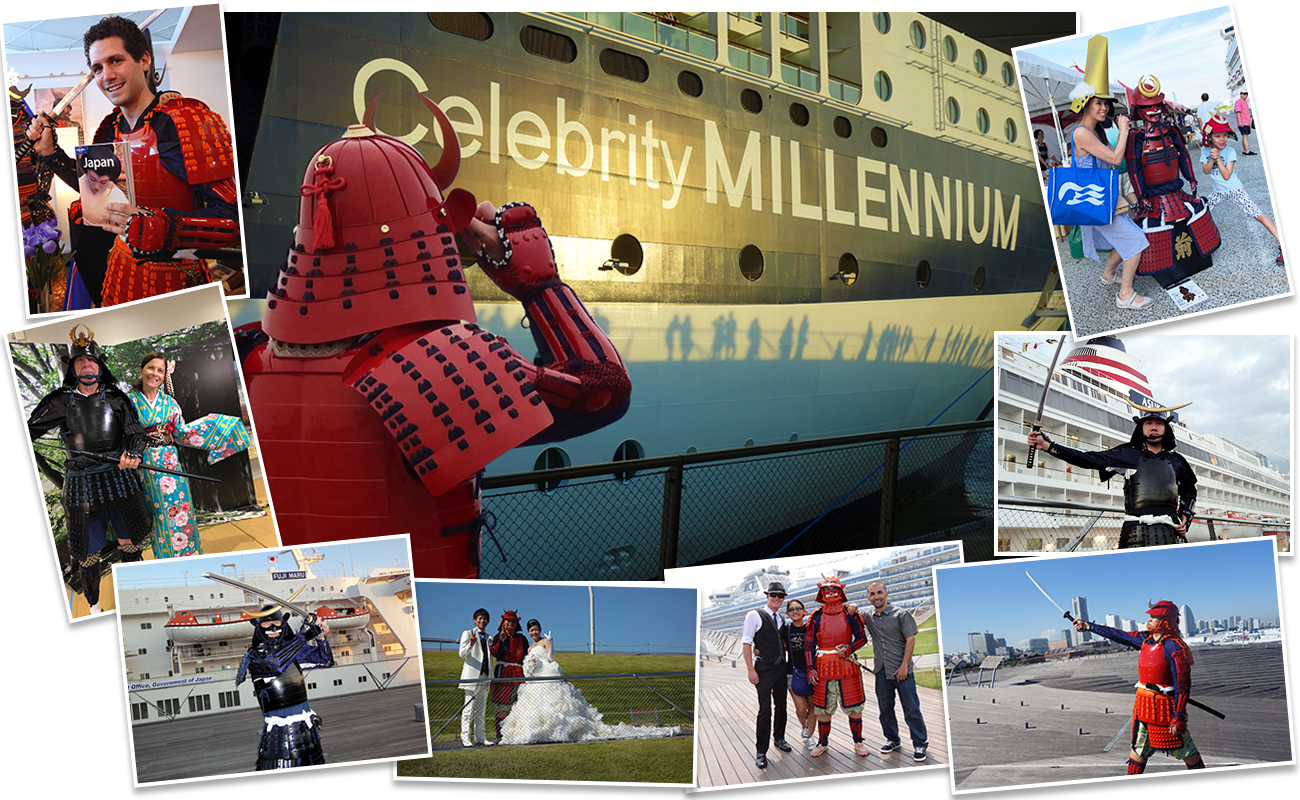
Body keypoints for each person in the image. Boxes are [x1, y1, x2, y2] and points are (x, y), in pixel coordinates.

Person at [234, 97, 631, 579]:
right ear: (427, 232)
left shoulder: (245, 354)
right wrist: (536, 279)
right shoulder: (435, 361)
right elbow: (601, 389)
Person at [25, 15, 239, 306]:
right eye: (97, 68)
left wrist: (162, 229)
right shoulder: (108, 128)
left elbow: (233, 220)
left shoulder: (188, 121)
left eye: (116, 61)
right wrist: (51, 154)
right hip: (119, 273)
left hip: (176, 278)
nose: (107, 76)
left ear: (144, 59)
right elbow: (97, 193)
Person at [26, 324, 152, 614]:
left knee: (129, 542)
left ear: (100, 365)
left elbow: (135, 434)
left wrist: (133, 452)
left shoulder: (117, 399)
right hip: (81, 483)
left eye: (92, 360)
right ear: (73, 367)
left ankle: (135, 600)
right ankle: (94, 607)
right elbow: (28, 430)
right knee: (88, 553)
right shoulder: (59, 401)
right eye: (80, 360)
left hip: (119, 478)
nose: (87, 364)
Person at [126, 352, 252, 559]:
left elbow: (183, 434)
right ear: (141, 371)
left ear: (164, 375)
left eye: (160, 370)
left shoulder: (170, 403)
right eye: (150, 368)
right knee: (158, 517)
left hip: (171, 464)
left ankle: (191, 556)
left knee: (181, 511)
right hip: (144, 466)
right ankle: (165, 560)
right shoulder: (127, 402)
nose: (154, 374)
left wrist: (220, 427)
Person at [1029, 397, 1197, 548]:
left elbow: (1190, 491)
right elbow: (1089, 459)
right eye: (1148, 423)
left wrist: (1185, 516)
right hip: (1134, 533)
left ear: (1166, 428)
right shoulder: (1128, 455)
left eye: (1159, 424)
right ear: (1141, 428)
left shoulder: (1177, 461)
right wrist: (1048, 446)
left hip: (1169, 533)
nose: (1154, 427)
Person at [1065, 36, 1153, 310]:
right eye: (1098, 103)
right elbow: (1115, 159)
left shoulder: (1093, 131)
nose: (1104, 108)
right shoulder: (1081, 132)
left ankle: (1107, 275)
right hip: (1096, 200)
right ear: (1085, 103)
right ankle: (1125, 294)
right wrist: (1124, 130)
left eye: (1106, 104)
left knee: (1125, 236)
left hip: (1105, 197)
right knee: (1137, 241)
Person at [1071, 601, 1204, 773]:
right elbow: (1117, 634)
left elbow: (1183, 685)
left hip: (1164, 710)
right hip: (1143, 707)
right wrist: (1089, 626)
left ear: (1166, 620)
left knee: (1187, 752)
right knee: (1137, 753)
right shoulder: (1145, 639)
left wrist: (1178, 715)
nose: (1149, 620)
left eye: (1154, 617)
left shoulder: (1176, 647)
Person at [499, 619, 680, 744]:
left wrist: (551, 642)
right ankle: (538, 733)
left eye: (536, 629)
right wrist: (529, 668)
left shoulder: (545, 641)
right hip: (535, 680)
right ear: (529, 632)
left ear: (540, 629)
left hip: (548, 674)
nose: (534, 632)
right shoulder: (529, 647)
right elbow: (529, 662)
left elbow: (551, 657)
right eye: (531, 630)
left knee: (556, 705)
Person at [1124, 75, 1220, 284]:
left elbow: (1183, 155)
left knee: (1199, 210)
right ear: (1138, 109)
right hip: (1154, 197)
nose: (1154, 109)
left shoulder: (1171, 130)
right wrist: (1141, 196)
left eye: (1157, 104)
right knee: (1152, 226)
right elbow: (1135, 168)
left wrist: (1191, 178)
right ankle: (1164, 269)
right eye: (1148, 106)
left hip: (1177, 191)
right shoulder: (1136, 138)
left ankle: (1199, 256)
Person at [235, 602, 334, 770]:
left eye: (276, 622)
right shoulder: (254, 656)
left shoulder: (295, 650)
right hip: (278, 735)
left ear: (284, 623)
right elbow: (274, 664)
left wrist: (321, 638)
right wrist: (304, 634)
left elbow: (326, 661)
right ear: (258, 627)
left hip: (307, 729)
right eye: (266, 623)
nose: (272, 626)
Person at [1199, 114, 1283, 264]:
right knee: (1200, 213)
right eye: (1218, 136)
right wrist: (1212, 158)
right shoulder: (1205, 151)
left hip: (1235, 190)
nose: (1222, 139)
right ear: (1209, 137)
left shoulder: (1229, 151)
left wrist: (1218, 158)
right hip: (1218, 193)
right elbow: (1206, 171)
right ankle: (1198, 249)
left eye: (1225, 135)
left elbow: (1226, 175)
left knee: (1258, 215)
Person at [860, 582, 928, 762]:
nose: (876, 597)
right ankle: (893, 739)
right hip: (882, 671)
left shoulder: (901, 614)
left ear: (886, 594)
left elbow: (910, 640)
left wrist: (905, 665)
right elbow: (851, 613)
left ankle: (920, 743)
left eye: (879, 592)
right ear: (868, 598)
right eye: (872, 594)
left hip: (902, 670)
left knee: (911, 709)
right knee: (885, 709)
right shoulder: (868, 615)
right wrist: (851, 607)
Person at [804, 575, 870, 758]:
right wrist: (810, 668)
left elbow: (862, 638)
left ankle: (858, 742)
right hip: (823, 666)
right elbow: (808, 645)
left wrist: (850, 647)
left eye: (834, 589)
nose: (830, 592)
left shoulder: (851, 613)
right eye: (826, 589)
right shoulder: (815, 616)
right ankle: (823, 743)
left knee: (855, 708)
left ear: (840, 591)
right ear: (821, 592)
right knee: (822, 708)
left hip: (847, 665)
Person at [742, 581, 791, 768]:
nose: (777, 598)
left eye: (781, 595)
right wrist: (750, 670)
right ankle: (761, 751)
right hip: (763, 668)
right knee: (765, 710)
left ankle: (779, 738)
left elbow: (779, 642)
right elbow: (746, 643)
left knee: (781, 706)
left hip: (780, 668)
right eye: (774, 595)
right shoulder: (754, 615)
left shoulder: (781, 618)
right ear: (767, 596)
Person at [490, 609, 530, 742]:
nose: (510, 623)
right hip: (502, 676)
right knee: (502, 706)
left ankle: (517, 734)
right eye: (508, 620)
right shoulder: (497, 637)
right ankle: (501, 734)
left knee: (520, 706)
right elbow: (494, 653)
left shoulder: (522, 639)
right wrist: (501, 641)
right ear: (503, 622)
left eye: (513, 621)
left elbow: (526, 657)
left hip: (519, 676)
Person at [458, 608, 494, 747]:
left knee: (481, 710)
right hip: (472, 677)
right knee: (468, 710)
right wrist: (471, 644)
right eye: (480, 618)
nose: (482, 621)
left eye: (485, 619)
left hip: (485, 677)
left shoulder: (489, 637)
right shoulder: (467, 634)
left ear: (488, 621)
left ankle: (481, 737)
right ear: (475, 620)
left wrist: (491, 679)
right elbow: (462, 654)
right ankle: (465, 737)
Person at [784, 597, 816, 748]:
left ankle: (810, 737)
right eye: (791, 609)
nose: (795, 611)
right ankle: (804, 725)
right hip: (793, 673)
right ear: (787, 613)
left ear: (804, 611)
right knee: (801, 709)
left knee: (813, 707)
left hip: (812, 673)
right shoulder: (786, 630)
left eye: (798, 608)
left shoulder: (812, 628)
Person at [77, 154, 129, 228]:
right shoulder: (83, 180)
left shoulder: (117, 195)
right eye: (92, 179)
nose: (96, 186)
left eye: (103, 181)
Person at [1233, 91, 1254, 155]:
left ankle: (1245, 150)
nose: (1246, 95)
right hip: (1243, 122)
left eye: (1246, 94)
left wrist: (1250, 115)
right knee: (1245, 136)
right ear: (1240, 94)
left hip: (1246, 122)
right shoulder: (1238, 102)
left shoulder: (1245, 102)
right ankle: (1247, 151)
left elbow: (1244, 112)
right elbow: (1238, 112)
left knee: (1245, 136)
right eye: (1244, 94)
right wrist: (1240, 122)